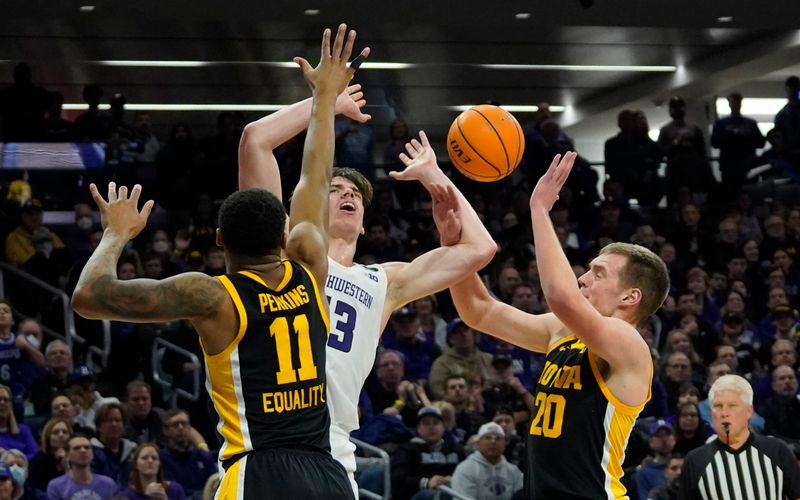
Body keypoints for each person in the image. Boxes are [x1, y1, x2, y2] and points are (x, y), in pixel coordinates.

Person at [71, 24, 364, 499]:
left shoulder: (212, 297)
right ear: (283, 234)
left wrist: (115, 235)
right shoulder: (311, 261)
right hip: (327, 475)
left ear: (221, 240)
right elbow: (316, 171)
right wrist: (326, 99)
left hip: (259, 474)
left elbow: (88, 297)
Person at [238, 32, 494, 500]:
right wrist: (325, 103)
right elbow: (255, 141)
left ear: (364, 224)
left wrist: (437, 180)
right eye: (334, 189)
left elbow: (479, 249)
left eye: (356, 193)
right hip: (270, 435)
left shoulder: (384, 281)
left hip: (334, 444)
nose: (349, 194)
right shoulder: (281, 249)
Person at [450, 152, 671, 498]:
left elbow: (562, 297)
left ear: (630, 297)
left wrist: (539, 209)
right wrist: (453, 243)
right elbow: (478, 311)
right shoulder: (563, 332)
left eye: (598, 274)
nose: (583, 279)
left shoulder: (629, 345)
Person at [679, 374, 800, 500]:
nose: (724, 413)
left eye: (732, 405)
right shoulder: (695, 461)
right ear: (711, 413)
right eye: (718, 406)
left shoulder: (777, 450)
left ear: (749, 411)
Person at [391, 406, 464, 500]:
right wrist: (427, 482)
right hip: (417, 494)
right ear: (418, 429)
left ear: (443, 428)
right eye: (426, 423)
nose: (431, 427)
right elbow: (397, 479)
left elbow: (467, 473)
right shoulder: (406, 449)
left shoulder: (456, 449)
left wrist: (454, 479)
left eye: (436, 423)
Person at [450, 422, 523, 500]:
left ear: (505, 444)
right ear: (478, 443)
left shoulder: (513, 471)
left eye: (498, 438)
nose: (493, 441)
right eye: (488, 437)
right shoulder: (465, 469)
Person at [159, 409, 217, 499]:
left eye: (184, 423)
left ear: (190, 427)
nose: (180, 428)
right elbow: (172, 490)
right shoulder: (161, 459)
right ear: (166, 430)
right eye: (175, 425)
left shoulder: (204, 456)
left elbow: (215, 482)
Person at [46, 434, 117, 499]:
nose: (83, 450)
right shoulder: (56, 486)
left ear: (92, 454)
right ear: (67, 455)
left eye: (87, 447)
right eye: (77, 448)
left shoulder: (108, 485)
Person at [116, 443, 186, 500]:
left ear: (159, 464)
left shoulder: (175, 490)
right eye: (144, 458)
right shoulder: (127, 495)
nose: (150, 461)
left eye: (154, 458)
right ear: (136, 464)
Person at [28, 418, 72, 494]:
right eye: (55, 432)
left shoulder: (76, 458)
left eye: (65, 432)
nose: (61, 435)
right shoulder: (38, 461)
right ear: (48, 437)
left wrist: (66, 467)